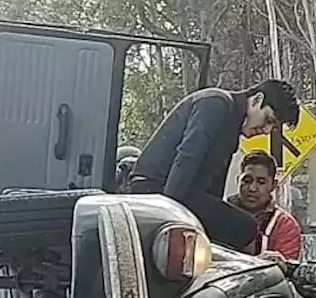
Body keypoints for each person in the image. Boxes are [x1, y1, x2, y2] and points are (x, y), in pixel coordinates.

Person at [128, 80, 301, 252]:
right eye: (268, 120)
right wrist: (167, 213)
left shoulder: (232, 130)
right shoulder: (215, 104)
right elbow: (187, 159)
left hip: (184, 194)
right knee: (245, 227)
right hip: (156, 189)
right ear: (256, 99)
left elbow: (213, 189)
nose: (266, 130)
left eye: (273, 127)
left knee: (237, 228)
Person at [227, 150, 303, 259]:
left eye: (261, 182)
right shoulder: (219, 215)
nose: (252, 188)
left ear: (273, 185)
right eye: (247, 180)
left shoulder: (284, 225)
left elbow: (286, 269)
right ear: (238, 180)